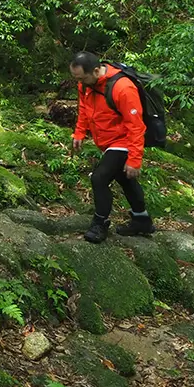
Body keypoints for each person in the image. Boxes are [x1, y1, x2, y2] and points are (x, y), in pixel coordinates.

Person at [70, 51, 155, 243]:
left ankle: (100, 224)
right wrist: (79, 132)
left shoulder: (123, 88)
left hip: (123, 140)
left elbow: (136, 126)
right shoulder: (85, 84)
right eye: (77, 78)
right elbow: (84, 108)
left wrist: (134, 159)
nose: (80, 82)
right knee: (125, 180)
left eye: (82, 78)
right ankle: (142, 220)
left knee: (99, 178)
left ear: (96, 70)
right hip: (106, 141)